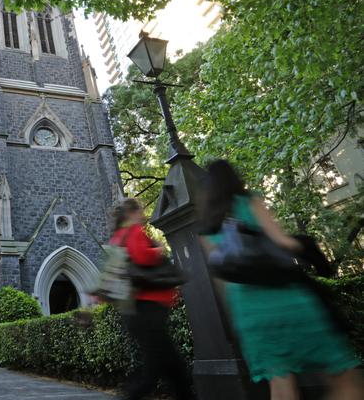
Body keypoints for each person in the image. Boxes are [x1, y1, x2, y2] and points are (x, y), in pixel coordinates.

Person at [198, 159, 362, 400]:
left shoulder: (207, 229)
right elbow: (283, 242)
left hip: (249, 313)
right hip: (284, 298)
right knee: (344, 373)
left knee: (281, 382)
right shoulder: (249, 202)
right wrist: (309, 247)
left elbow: (223, 278)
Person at [110, 198, 194, 400]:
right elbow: (141, 257)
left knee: (169, 368)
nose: (143, 215)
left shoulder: (117, 237)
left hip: (135, 309)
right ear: (131, 213)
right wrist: (158, 249)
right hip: (148, 308)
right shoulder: (133, 231)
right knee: (158, 370)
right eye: (140, 211)